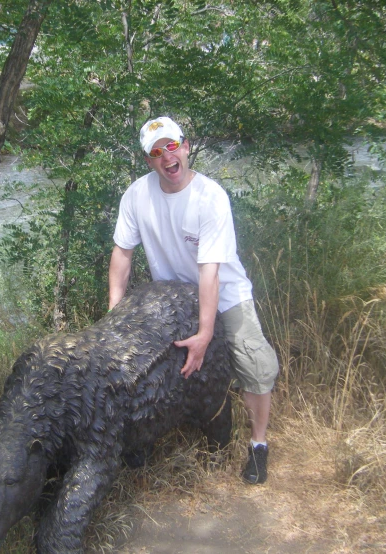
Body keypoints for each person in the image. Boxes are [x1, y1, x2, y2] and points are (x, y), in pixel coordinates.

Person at [108, 116, 279, 484]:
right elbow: (122, 255)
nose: (167, 156)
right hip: (170, 299)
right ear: (149, 161)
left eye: (171, 146)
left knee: (254, 364)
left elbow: (210, 273)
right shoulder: (136, 195)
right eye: (156, 152)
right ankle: (145, 440)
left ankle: (258, 445)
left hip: (224, 291)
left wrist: (205, 334)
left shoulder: (210, 197)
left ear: (186, 147)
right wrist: (114, 316)